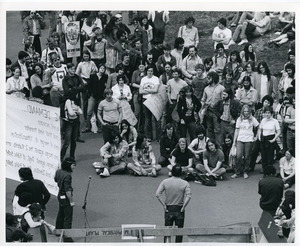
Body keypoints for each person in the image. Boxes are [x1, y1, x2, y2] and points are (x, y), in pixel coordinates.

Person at [156, 164, 192, 243]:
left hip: (169, 208)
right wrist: (184, 207)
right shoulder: (185, 183)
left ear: (171, 172)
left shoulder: (165, 182)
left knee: (167, 232)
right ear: (181, 173)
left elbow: (158, 194)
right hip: (179, 209)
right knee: (179, 232)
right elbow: (188, 196)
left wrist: (164, 205)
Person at [231, 105, 259, 179]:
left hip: (249, 139)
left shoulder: (252, 119)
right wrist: (234, 142)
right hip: (240, 139)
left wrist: (256, 136)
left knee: (247, 156)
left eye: (247, 111)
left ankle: (245, 171)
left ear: (249, 112)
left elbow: (259, 127)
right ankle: (237, 172)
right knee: (239, 155)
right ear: (242, 111)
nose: (246, 113)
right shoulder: (239, 119)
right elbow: (236, 130)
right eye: (244, 111)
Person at [55, 157, 76, 242]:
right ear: (69, 166)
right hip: (66, 198)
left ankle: (58, 231)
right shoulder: (68, 175)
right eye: (73, 165)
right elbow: (68, 190)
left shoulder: (58, 171)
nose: (74, 167)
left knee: (61, 213)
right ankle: (67, 237)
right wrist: (71, 201)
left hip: (60, 196)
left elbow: (55, 179)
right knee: (68, 217)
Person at [201, 70, 224, 145]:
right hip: (208, 111)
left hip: (217, 112)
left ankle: (219, 146)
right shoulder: (206, 89)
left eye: (209, 78)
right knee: (209, 129)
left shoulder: (221, 88)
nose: (207, 80)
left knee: (217, 130)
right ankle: (210, 145)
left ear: (213, 78)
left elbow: (223, 101)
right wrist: (202, 110)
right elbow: (203, 100)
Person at [83, 63, 107, 133]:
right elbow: (89, 85)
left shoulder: (105, 77)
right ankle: (87, 127)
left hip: (101, 97)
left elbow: (106, 85)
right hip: (93, 96)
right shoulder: (93, 76)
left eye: (103, 69)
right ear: (98, 69)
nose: (102, 70)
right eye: (101, 68)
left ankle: (100, 127)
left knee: (100, 112)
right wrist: (91, 93)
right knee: (89, 112)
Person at [139, 65, 160, 141]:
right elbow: (140, 91)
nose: (150, 72)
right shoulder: (143, 79)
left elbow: (156, 90)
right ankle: (148, 137)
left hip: (154, 100)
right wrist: (151, 90)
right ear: (146, 71)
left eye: (151, 71)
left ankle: (158, 137)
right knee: (147, 119)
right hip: (145, 100)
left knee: (156, 118)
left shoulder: (156, 79)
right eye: (148, 71)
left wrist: (146, 90)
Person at [60, 90, 83, 161]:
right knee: (67, 141)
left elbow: (80, 111)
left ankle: (72, 156)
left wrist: (75, 112)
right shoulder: (68, 101)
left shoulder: (75, 102)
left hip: (75, 122)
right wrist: (76, 112)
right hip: (69, 123)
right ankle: (61, 157)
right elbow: (70, 112)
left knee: (74, 140)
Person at [257, 106, 280, 173]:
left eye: (269, 113)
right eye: (266, 113)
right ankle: (264, 171)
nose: (267, 114)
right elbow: (260, 129)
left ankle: (269, 172)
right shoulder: (263, 120)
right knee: (263, 156)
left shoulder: (275, 121)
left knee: (270, 157)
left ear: (271, 113)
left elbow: (278, 131)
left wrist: (274, 139)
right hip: (263, 139)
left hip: (271, 139)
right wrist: (259, 137)